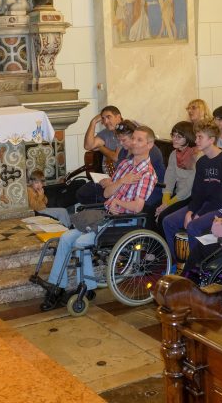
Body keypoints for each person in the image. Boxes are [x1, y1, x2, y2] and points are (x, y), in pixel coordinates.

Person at [39, 126, 157, 311]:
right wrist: (122, 181)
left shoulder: (147, 173)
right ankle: (57, 287)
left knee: (80, 242)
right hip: (106, 217)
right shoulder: (125, 165)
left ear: (149, 144)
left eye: (139, 140)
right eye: (133, 138)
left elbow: (137, 207)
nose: (134, 142)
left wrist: (119, 201)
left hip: (124, 221)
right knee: (66, 237)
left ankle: (85, 287)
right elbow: (107, 192)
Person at [162, 121, 222, 260]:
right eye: (196, 137)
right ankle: (176, 262)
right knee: (168, 222)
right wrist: (190, 211)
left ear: (211, 140)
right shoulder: (202, 162)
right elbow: (197, 193)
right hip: (205, 204)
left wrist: (200, 213)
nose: (196, 141)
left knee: (194, 226)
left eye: (200, 137)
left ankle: (196, 266)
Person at [155, 121, 197, 227]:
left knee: (163, 216)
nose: (174, 139)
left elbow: (189, 188)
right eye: (173, 135)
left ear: (189, 138)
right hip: (177, 194)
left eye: (179, 137)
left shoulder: (196, 156)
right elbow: (169, 179)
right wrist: (165, 202)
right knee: (152, 211)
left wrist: (167, 205)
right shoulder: (174, 154)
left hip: (189, 197)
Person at [82, 105, 123, 175]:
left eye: (108, 117)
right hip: (108, 176)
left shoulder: (126, 131)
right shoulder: (106, 132)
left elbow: (116, 158)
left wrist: (100, 147)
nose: (105, 121)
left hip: (123, 177)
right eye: (103, 118)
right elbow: (88, 146)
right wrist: (93, 122)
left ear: (118, 117)